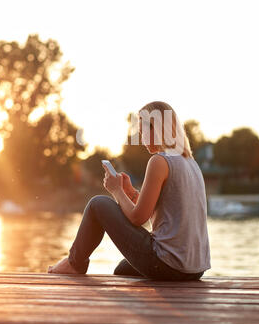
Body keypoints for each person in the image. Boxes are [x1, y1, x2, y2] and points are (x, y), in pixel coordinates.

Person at [48, 101, 211, 281]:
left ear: (156, 129)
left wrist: (116, 190)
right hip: (194, 269)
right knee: (122, 269)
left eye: (142, 131)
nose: (141, 138)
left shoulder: (159, 161)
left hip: (168, 265)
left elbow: (137, 218)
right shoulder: (190, 163)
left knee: (98, 204)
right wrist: (131, 193)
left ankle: (74, 263)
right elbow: (160, 211)